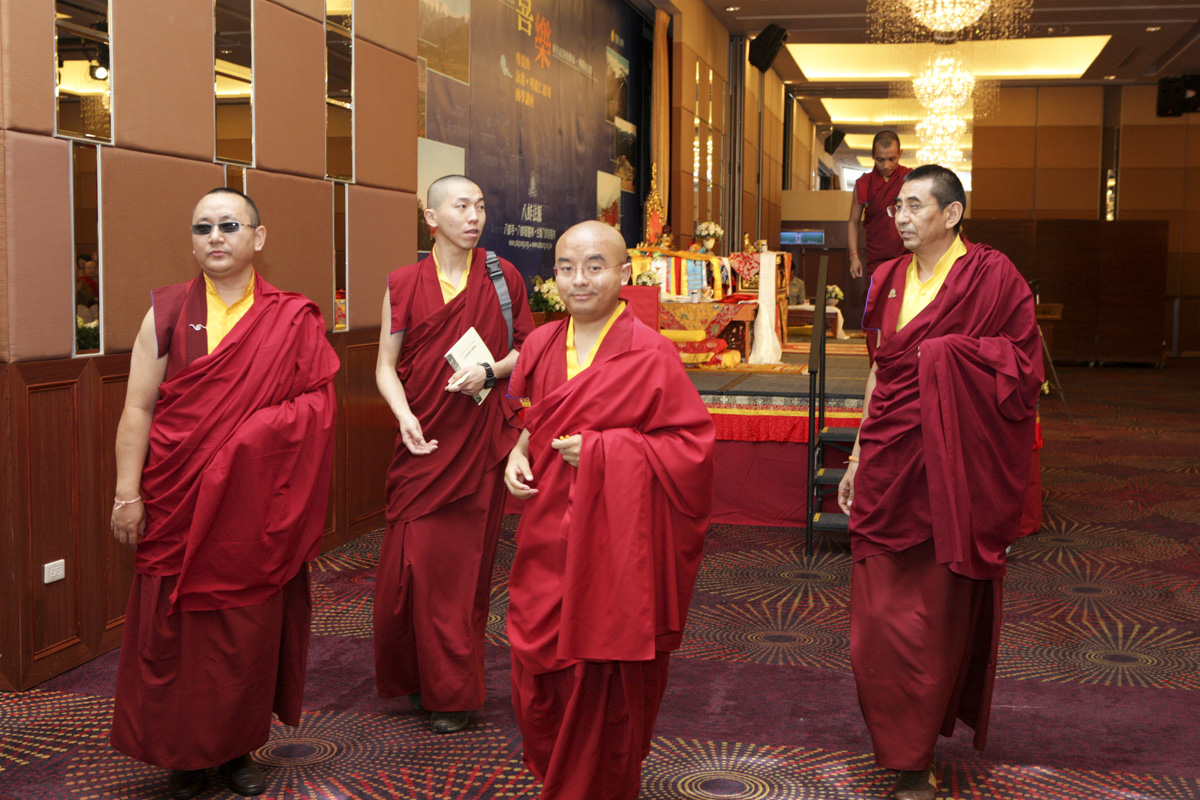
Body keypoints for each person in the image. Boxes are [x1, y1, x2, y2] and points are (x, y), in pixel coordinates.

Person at [109, 188, 340, 799]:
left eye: (230, 225)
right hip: (175, 497)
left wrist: (251, 438)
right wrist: (127, 493)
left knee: (245, 631)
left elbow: (317, 407)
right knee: (174, 632)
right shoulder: (165, 312)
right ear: (192, 242)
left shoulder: (292, 316)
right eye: (203, 227)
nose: (215, 236)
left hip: (253, 507)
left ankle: (237, 749)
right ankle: (183, 755)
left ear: (257, 238)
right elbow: (138, 408)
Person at [837, 165, 1043, 800]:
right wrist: (856, 455)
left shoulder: (992, 275)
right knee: (875, 624)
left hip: (955, 473)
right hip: (889, 466)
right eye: (896, 207)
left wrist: (948, 355)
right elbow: (880, 370)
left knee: (931, 622)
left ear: (951, 215)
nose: (899, 217)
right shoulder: (885, 279)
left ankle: (914, 756)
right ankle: (896, 738)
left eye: (914, 206)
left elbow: (1024, 366)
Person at [503, 220, 715, 800]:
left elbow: (692, 451)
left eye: (595, 267)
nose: (580, 280)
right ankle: (560, 775)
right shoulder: (541, 344)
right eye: (567, 268)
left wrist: (605, 451)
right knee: (536, 662)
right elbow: (528, 415)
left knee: (603, 669)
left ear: (624, 273)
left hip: (617, 550)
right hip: (548, 533)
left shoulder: (651, 353)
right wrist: (518, 452)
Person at [374, 174, 534, 734]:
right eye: (461, 206)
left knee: (463, 573)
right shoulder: (403, 282)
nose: (474, 217)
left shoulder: (502, 276)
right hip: (422, 442)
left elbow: (529, 351)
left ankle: (453, 692)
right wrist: (403, 415)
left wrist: (490, 370)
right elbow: (384, 366)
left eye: (480, 207)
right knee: (410, 570)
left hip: (478, 445)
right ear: (431, 217)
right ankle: (419, 672)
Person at [847, 131, 910, 281]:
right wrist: (854, 256)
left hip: (908, 256)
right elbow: (853, 223)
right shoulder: (863, 184)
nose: (886, 166)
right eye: (880, 160)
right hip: (876, 260)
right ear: (872, 155)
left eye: (892, 159)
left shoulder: (910, 179)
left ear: (900, 154)